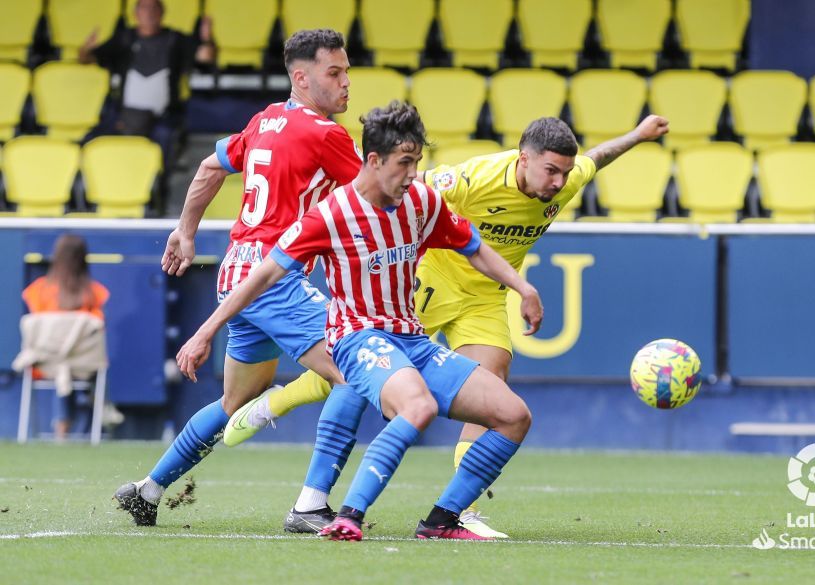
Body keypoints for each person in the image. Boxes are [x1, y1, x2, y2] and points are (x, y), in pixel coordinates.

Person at [235, 114, 671, 537]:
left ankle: (462, 511)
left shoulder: (565, 180)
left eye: (564, 173)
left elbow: (599, 156)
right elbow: (407, 192)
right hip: (432, 282)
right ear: (523, 158)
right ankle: (280, 407)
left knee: (495, 384)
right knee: (354, 371)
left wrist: (639, 133)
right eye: (551, 171)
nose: (558, 182)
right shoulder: (476, 177)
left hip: (483, 298)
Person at [176, 101, 544, 541]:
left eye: (416, 163)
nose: (412, 174)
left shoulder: (422, 202)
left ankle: (441, 521)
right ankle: (348, 515)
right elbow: (264, 275)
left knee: (513, 414)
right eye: (404, 163)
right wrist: (205, 331)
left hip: (412, 339)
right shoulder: (331, 214)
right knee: (418, 405)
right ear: (374, 160)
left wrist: (523, 288)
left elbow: (473, 247)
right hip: (356, 339)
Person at [113, 29, 368, 532]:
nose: (345, 85)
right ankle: (310, 505)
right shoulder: (327, 134)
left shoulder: (265, 120)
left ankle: (149, 489)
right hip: (276, 276)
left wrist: (185, 232)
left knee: (235, 401)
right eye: (334, 73)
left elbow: (210, 167)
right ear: (302, 77)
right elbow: (378, 195)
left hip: (237, 274)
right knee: (357, 373)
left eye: (345, 72)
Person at [78, 0, 215, 165]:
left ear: (162, 13)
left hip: (163, 117)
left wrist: (207, 39)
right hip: (125, 115)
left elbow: (206, 57)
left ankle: (158, 186)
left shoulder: (175, 39)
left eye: (153, 8)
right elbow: (88, 59)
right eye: (144, 8)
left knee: (163, 142)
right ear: (135, 14)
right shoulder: (124, 38)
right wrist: (85, 50)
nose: (149, 13)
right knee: (90, 141)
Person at [21, 234, 110, 441]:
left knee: (63, 366)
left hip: (44, 363)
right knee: (80, 366)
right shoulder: (93, 292)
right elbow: (97, 327)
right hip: (83, 366)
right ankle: (97, 423)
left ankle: (61, 429)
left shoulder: (39, 290)